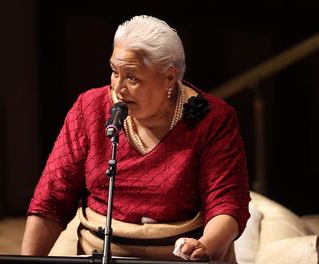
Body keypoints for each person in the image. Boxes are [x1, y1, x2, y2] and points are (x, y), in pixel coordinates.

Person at [21, 15, 251, 262]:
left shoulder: (214, 118)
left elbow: (227, 204)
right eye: (114, 72)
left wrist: (205, 246)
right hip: (102, 255)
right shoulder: (89, 108)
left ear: (170, 78)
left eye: (132, 78)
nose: (118, 87)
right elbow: (52, 199)